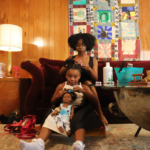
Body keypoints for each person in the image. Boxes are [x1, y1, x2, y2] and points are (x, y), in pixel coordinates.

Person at [19, 60, 104, 150]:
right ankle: (39, 143)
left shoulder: (84, 87)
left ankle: (78, 144)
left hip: (79, 109)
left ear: (79, 76)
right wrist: (58, 95)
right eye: (69, 76)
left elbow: (95, 101)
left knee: (79, 119)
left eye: (75, 77)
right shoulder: (61, 86)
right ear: (65, 75)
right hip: (64, 109)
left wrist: (83, 91)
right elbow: (52, 102)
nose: (72, 79)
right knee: (52, 116)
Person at [59, 33, 108, 126]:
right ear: (74, 46)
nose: (80, 47)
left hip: (87, 84)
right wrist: (69, 63)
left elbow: (96, 78)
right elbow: (60, 73)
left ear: (87, 45)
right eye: (78, 45)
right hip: (73, 82)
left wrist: (89, 69)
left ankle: (101, 114)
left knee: (88, 82)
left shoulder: (93, 60)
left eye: (83, 45)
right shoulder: (71, 58)